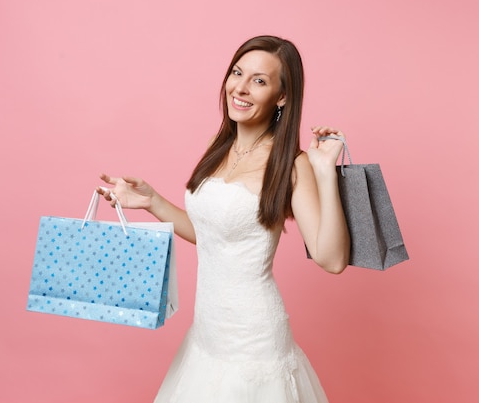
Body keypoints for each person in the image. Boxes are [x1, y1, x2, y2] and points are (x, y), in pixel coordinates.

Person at [97, 35, 350, 403]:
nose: (241, 88)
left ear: (282, 96)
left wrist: (325, 170)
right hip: (206, 334)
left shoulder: (291, 165)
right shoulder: (221, 150)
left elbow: (332, 259)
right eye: (237, 73)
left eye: (259, 81)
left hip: (253, 342)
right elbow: (214, 237)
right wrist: (152, 201)